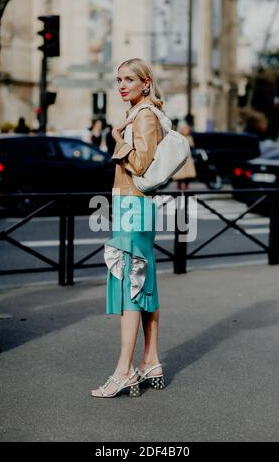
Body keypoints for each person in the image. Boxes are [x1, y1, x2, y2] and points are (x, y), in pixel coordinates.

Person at [91, 58, 166, 398]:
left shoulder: (145, 116)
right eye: (118, 79)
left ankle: (124, 371)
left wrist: (118, 140)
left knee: (129, 286)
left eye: (129, 79)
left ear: (146, 83)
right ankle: (150, 361)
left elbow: (141, 163)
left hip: (134, 205)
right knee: (142, 281)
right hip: (132, 205)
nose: (121, 85)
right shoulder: (139, 114)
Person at [172, 123, 197, 190]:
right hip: (181, 157)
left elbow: (192, 146)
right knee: (180, 173)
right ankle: (179, 185)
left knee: (187, 174)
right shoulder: (180, 137)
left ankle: (185, 186)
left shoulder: (189, 138)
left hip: (187, 158)